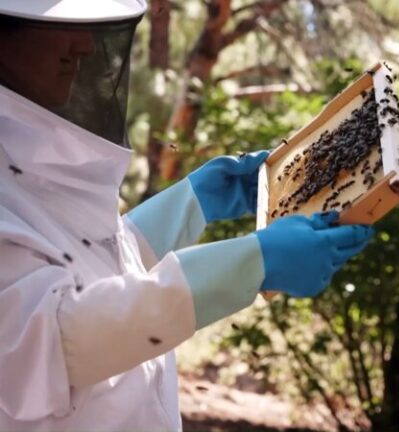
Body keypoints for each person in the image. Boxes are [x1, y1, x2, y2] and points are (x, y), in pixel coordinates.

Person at [0, 1, 374, 430]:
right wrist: (248, 265)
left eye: (90, 24)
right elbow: (52, 340)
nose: (85, 44)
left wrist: (192, 203)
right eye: (58, 26)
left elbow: (86, 263)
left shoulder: (26, 154)